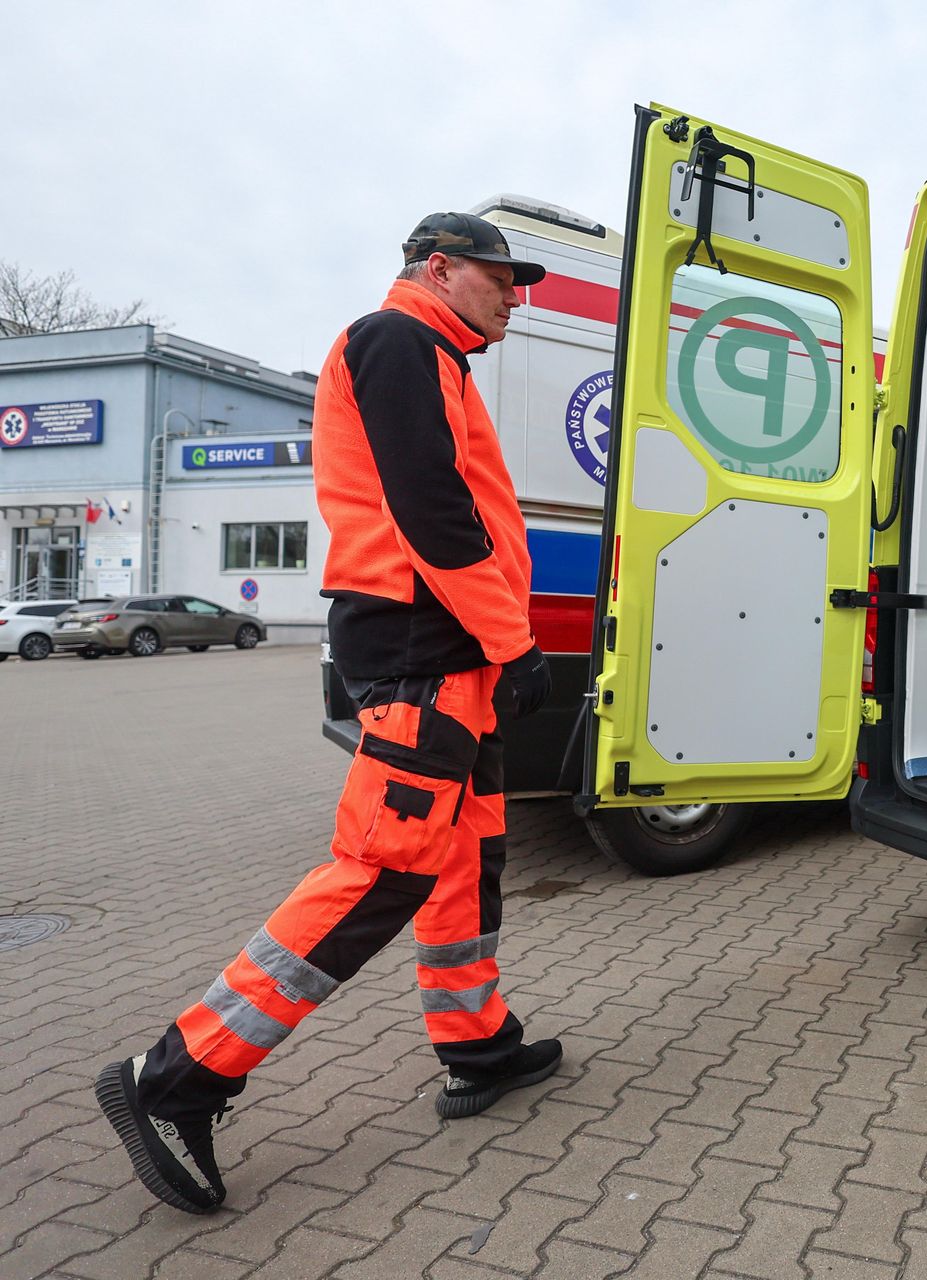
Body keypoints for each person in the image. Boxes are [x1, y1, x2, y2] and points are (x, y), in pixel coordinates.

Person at [96, 213, 563, 1214]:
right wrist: (512, 637)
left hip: (452, 654)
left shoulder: (436, 357)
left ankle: (479, 1041)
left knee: (465, 853)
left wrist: (501, 642)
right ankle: (178, 1078)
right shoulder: (396, 339)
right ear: (438, 270)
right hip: (422, 648)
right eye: (500, 278)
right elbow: (432, 514)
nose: (513, 295)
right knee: (385, 866)